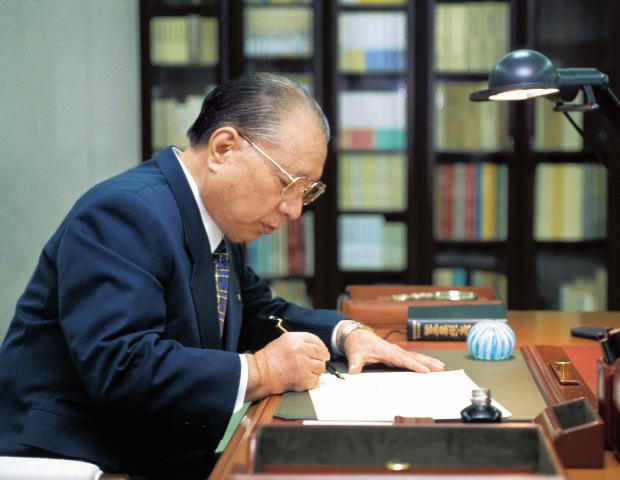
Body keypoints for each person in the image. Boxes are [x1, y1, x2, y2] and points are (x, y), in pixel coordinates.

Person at [0, 73, 444, 479]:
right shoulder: (125, 213)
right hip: (71, 455)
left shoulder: (210, 217)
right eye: (289, 183)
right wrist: (259, 370)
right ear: (224, 148)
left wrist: (347, 334)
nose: (293, 211)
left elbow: (260, 312)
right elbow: (122, 366)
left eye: (307, 192)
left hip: (149, 444)